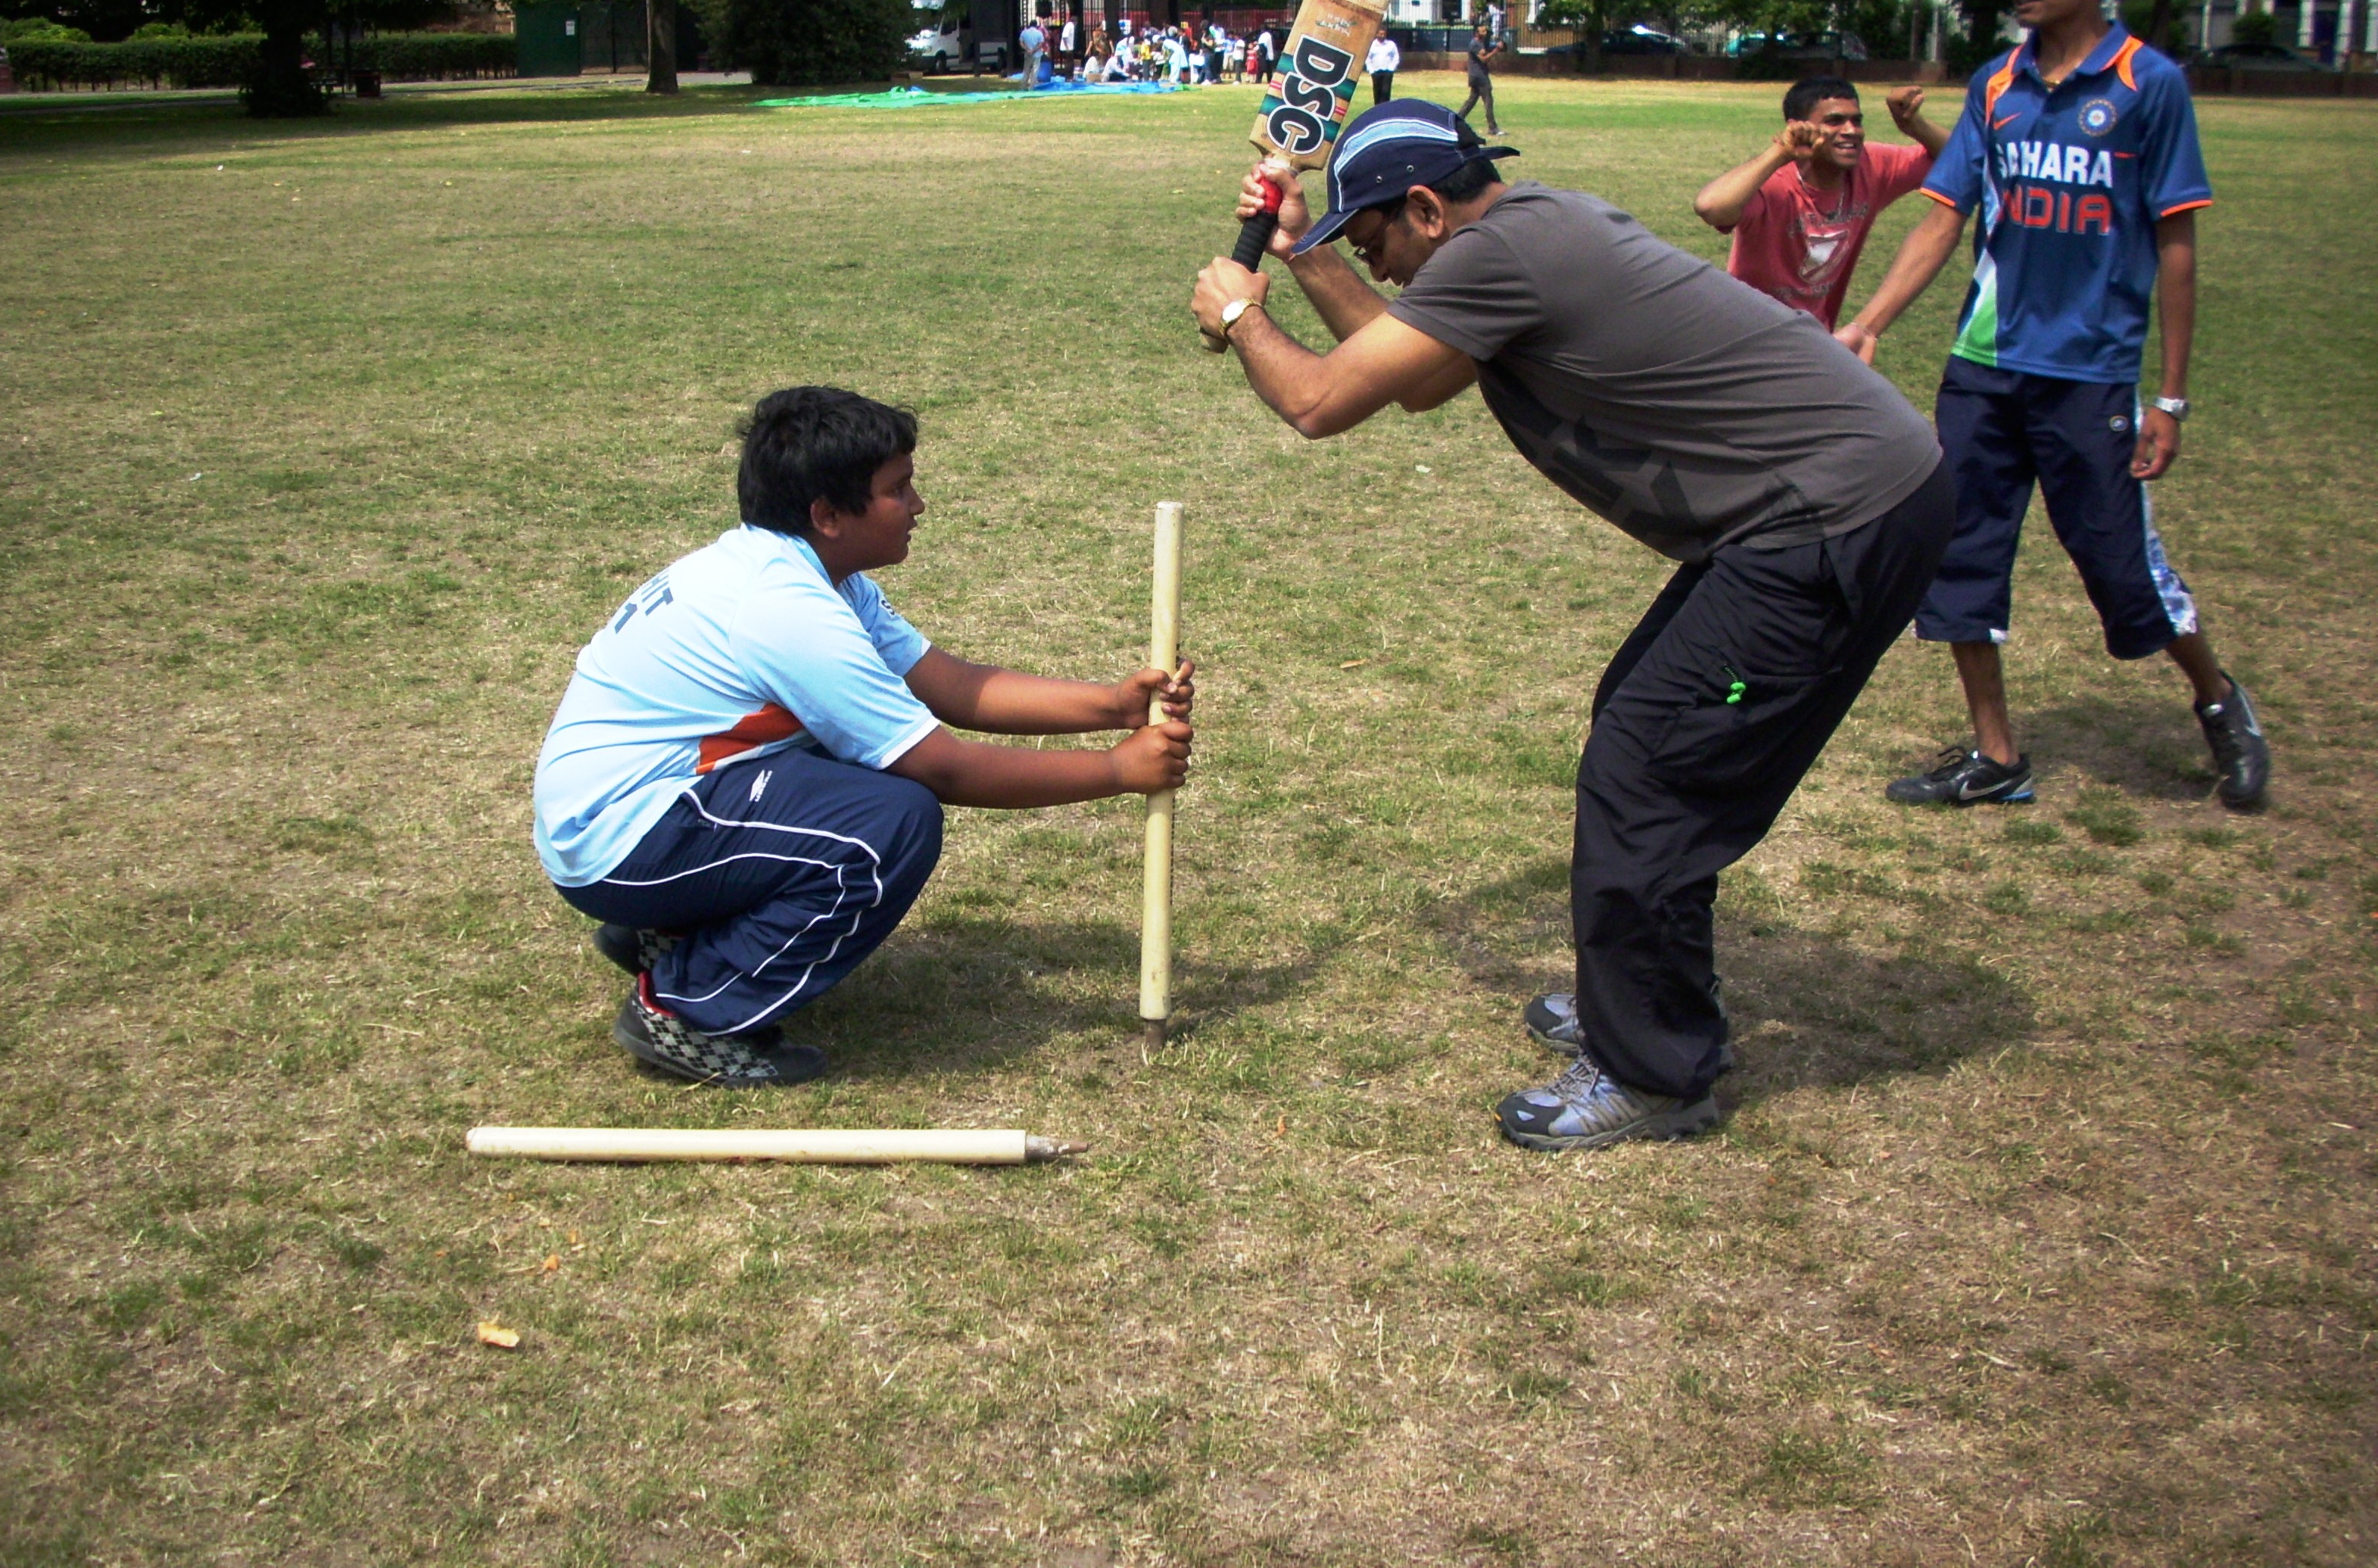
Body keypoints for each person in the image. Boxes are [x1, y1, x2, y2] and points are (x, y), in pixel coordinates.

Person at [1188, 101, 1951, 1150]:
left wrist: (1240, 316)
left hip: (1830, 523)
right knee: (1645, 732)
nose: (1388, 270)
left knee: (1651, 772)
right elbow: (1421, 378)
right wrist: (1302, 254)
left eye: (1378, 244)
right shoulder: (1522, 231)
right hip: (1830, 505)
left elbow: (1323, 402)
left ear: (1426, 206)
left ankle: (1655, 1071)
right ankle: (1642, 1006)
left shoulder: (1500, 258)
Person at [532, 388, 1195, 1087]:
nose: (918, 506)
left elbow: (947, 684)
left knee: (851, 767)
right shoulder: (785, 609)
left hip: (639, 815)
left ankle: (671, 933)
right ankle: (687, 1009)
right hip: (621, 841)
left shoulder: (809, 573)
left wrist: (1110, 707)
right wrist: (1118, 772)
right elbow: (944, 770)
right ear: (828, 514)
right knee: (888, 821)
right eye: (897, 489)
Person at [1834, 0, 2271, 812]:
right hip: (1985, 369)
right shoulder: (1997, 85)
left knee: (2118, 562)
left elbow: (2178, 244)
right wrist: (1872, 321)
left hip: (2091, 376)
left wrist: (2173, 398)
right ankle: (1997, 757)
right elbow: (1945, 216)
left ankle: (2220, 698)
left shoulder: (2150, 85)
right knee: (1962, 556)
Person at [1694, 77, 1951, 331]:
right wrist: (1781, 151)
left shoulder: (1871, 166)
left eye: (1857, 121)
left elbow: (1959, 158)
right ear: (1797, 127)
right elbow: (1711, 207)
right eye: (1834, 121)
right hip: (1748, 333)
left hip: (1813, 336)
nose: (1851, 131)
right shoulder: (1774, 184)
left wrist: (1914, 125)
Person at [1457, 23, 1499, 133]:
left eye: (1486, 31)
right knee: (1488, 100)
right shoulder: (1475, 44)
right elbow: (1484, 59)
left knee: (1471, 101)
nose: (1485, 33)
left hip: (1476, 75)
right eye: (1483, 31)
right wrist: (1496, 50)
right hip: (1480, 76)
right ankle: (1493, 128)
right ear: (1477, 33)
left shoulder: (1480, 43)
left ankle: (1455, 121)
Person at [1364, 30, 1401, 107]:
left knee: (1386, 91)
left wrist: (1391, 68)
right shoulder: (1372, 45)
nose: (1382, 36)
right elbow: (1368, 58)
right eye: (1380, 34)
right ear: (1376, 34)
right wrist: (1371, 70)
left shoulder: (1391, 45)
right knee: (1377, 91)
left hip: (1387, 71)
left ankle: (1385, 109)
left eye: (1384, 34)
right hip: (1376, 72)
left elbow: (1396, 57)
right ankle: (1377, 109)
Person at [1018, 16, 1048, 88]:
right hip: (1037, 54)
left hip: (1027, 54)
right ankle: (1031, 87)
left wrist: (1027, 49)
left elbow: (1021, 43)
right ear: (1036, 25)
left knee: (1026, 70)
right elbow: (1040, 44)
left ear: (1029, 25)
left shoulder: (1024, 33)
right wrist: (1034, 50)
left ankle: (1023, 86)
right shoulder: (1039, 33)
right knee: (1035, 71)